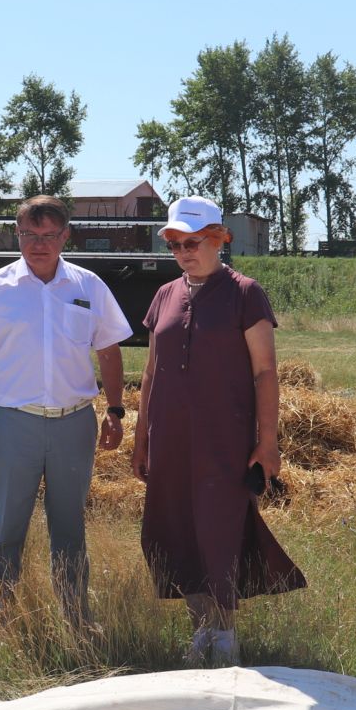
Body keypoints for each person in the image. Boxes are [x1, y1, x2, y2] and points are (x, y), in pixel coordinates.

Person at [131, 195, 304, 667]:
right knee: (175, 528)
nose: (184, 252)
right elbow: (150, 372)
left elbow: (265, 372)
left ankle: (227, 633)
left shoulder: (246, 292)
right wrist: (141, 435)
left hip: (224, 439)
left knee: (219, 529)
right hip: (169, 439)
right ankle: (200, 627)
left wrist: (267, 443)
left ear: (219, 239)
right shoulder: (165, 295)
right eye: (175, 244)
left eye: (193, 242)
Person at [0, 195, 132, 632]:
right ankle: (0, 620)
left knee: (68, 527)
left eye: (49, 235)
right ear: (17, 234)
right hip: (15, 423)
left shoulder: (89, 287)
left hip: (74, 422)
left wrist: (115, 411)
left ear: (66, 236)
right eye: (30, 235)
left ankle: (76, 618)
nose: (39, 244)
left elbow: (108, 352)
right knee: (6, 527)